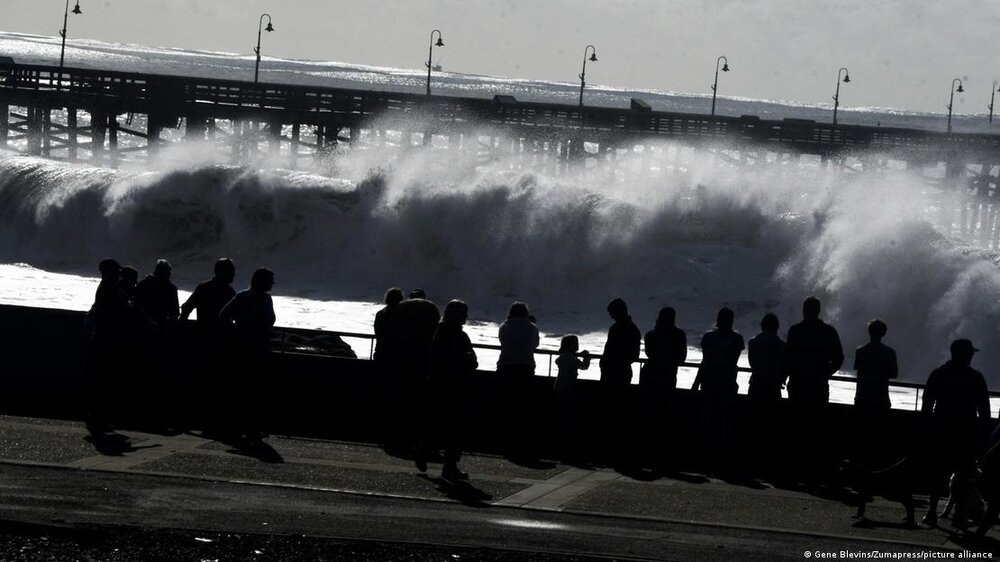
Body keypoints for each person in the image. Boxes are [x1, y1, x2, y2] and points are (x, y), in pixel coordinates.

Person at [920, 339, 991, 528]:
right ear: (966, 354)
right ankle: (958, 515)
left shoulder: (939, 374)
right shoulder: (975, 377)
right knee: (962, 475)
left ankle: (931, 512)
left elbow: (927, 405)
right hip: (965, 432)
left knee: (938, 472)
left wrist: (927, 429)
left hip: (941, 430)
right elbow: (984, 410)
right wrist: (984, 437)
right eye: (970, 354)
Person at [414, 299, 478, 481]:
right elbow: (446, 361)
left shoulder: (453, 334)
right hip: (444, 387)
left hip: (452, 387)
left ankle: (444, 463)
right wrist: (464, 361)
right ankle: (435, 457)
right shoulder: (445, 334)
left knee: (450, 428)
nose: (466, 317)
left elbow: (471, 358)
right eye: (463, 314)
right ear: (455, 315)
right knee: (447, 427)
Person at [783, 296, 843, 480]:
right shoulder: (828, 331)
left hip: (799, 384)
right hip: (818, 385)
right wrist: (826, 373)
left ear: (804, 310)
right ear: (818, 311)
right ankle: (815, 470)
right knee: (817, 426)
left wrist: (785, 376)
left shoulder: (795, 330)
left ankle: (796, 468)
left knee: (797, 424)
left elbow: (787, 357)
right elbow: (838, 358)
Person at [180, 258, 237, 427]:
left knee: (203, 378)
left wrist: (181, 329)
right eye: (231, 271)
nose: (234, 274)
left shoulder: (204, 287)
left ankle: (198, 415)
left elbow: (186, 307)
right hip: (220, 341)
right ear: (222, 272)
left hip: (203, 338)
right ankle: (213, 416)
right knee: (216, 380)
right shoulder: (229, 292)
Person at [220, 267, 276, 441]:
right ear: (263, 281)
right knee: (256, 387)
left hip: (240, 346)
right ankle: (253, 425)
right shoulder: (266, 299)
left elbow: (223, 315)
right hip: (258, 348)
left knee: (240, 386)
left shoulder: (242, 296)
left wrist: (236, 330)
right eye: (270, 280)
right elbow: (270, 320)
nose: (273, 283)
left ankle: (236, 424)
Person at [385, 289, 440, 451]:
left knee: (400, 400)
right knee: (420, 402)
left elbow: (390, 334)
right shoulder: (430, 311)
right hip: (422, 365)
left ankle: (398, 436)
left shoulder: (399, 312)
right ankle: (417, 438)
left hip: (400, 363)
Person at [691, 307, 744, 468]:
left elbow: (705, 362)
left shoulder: (708, 337)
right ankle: (725, 458)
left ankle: (703, 456)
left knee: (706, 420)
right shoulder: (737, 339)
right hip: (727, 383)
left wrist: (696, 383)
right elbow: (732, 361)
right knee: (726, 422)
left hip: (709, 383)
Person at [85, 258, 132, 434]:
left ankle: (98, 418)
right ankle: (98, 419)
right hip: (105, 340)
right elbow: (121, 310)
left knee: (100, 381)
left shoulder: (107, 287)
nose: (119, 275)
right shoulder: (108, 289)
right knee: (103, 381)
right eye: (116, 272)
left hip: (102, 339)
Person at [639, 306, 687, 465]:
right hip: (668, 376)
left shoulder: (651, 335)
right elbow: (682, 358)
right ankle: (663, 450)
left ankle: (646, 448)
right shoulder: (679, 335)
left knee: (649, 411)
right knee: (664, 411)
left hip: (650, 375)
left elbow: (649, 354)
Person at [497, 301, 540, 457]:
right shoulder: (532, 328)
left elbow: (502, 342)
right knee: (522, 404)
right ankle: (521, 441)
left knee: (506, 404)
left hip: (505, 366)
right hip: (525, 367)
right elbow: (535, 345)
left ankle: (505, 439)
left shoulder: (504, 326)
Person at [852, 319, 898, 464]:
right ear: (883, 333)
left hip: (862, 397)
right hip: (881, 399)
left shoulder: (861, 351)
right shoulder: (889, 352)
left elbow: (858, 372)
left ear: (869, 332)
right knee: (878, 436)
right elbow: (894, 374)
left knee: (861, 437)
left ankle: (859, 466)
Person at [599, 297, 641, 455]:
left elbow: (612, 350)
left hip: (614, 372)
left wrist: (610, 362)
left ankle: (612, 443)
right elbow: (634, 355)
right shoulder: (632, 329)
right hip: (621, 372)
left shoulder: (618, 328)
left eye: (611, 312)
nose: (610, 316)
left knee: (612, 409)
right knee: (619, 408)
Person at [746, 313, 786, 472]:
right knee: (770, 425)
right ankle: (768, 462)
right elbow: (784, 367)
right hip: (773, 388)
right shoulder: (782, 346)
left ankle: (751, 459)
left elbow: (752, 363)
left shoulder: (753, 342)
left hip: (756, 385)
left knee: (754, 423)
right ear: (776, 327)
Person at [554, 335, 590, 459]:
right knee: (567, 412)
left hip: (558, 386)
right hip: (569, 388)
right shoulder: (572, 359)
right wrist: (587, 358)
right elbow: (584, 367)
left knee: (560, 411)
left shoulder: (562, 358)